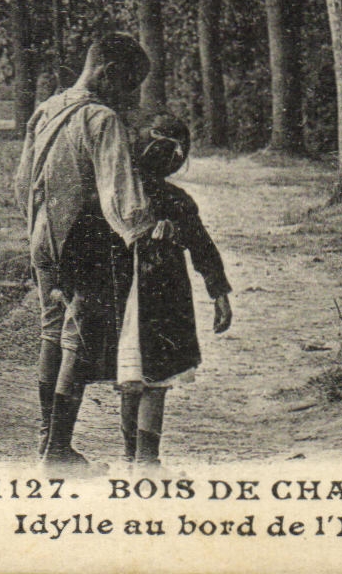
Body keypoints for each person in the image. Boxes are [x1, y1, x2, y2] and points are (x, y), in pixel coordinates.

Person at [14, 33, 157, 469]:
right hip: (86, 246)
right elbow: (121, 197)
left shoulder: (47, 109)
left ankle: (47, 441)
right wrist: (144, 237)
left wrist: (37, 231)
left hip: (43, 238)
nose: (131, 97)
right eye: (130, 85)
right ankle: (57, 451)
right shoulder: (101, 119)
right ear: (109, 74)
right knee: (77, 340)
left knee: (51, 332)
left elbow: (23, 182)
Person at [115, 113, 232, 467]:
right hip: (127, 296)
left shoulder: (175, 200)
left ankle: (143, 459)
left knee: (149, 378)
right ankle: (136, 458)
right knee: (134, 377)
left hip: (161, 298)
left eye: (173, 155)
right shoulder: (117, 195)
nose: (168, 161)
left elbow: (201, 245)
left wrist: (219, 291)